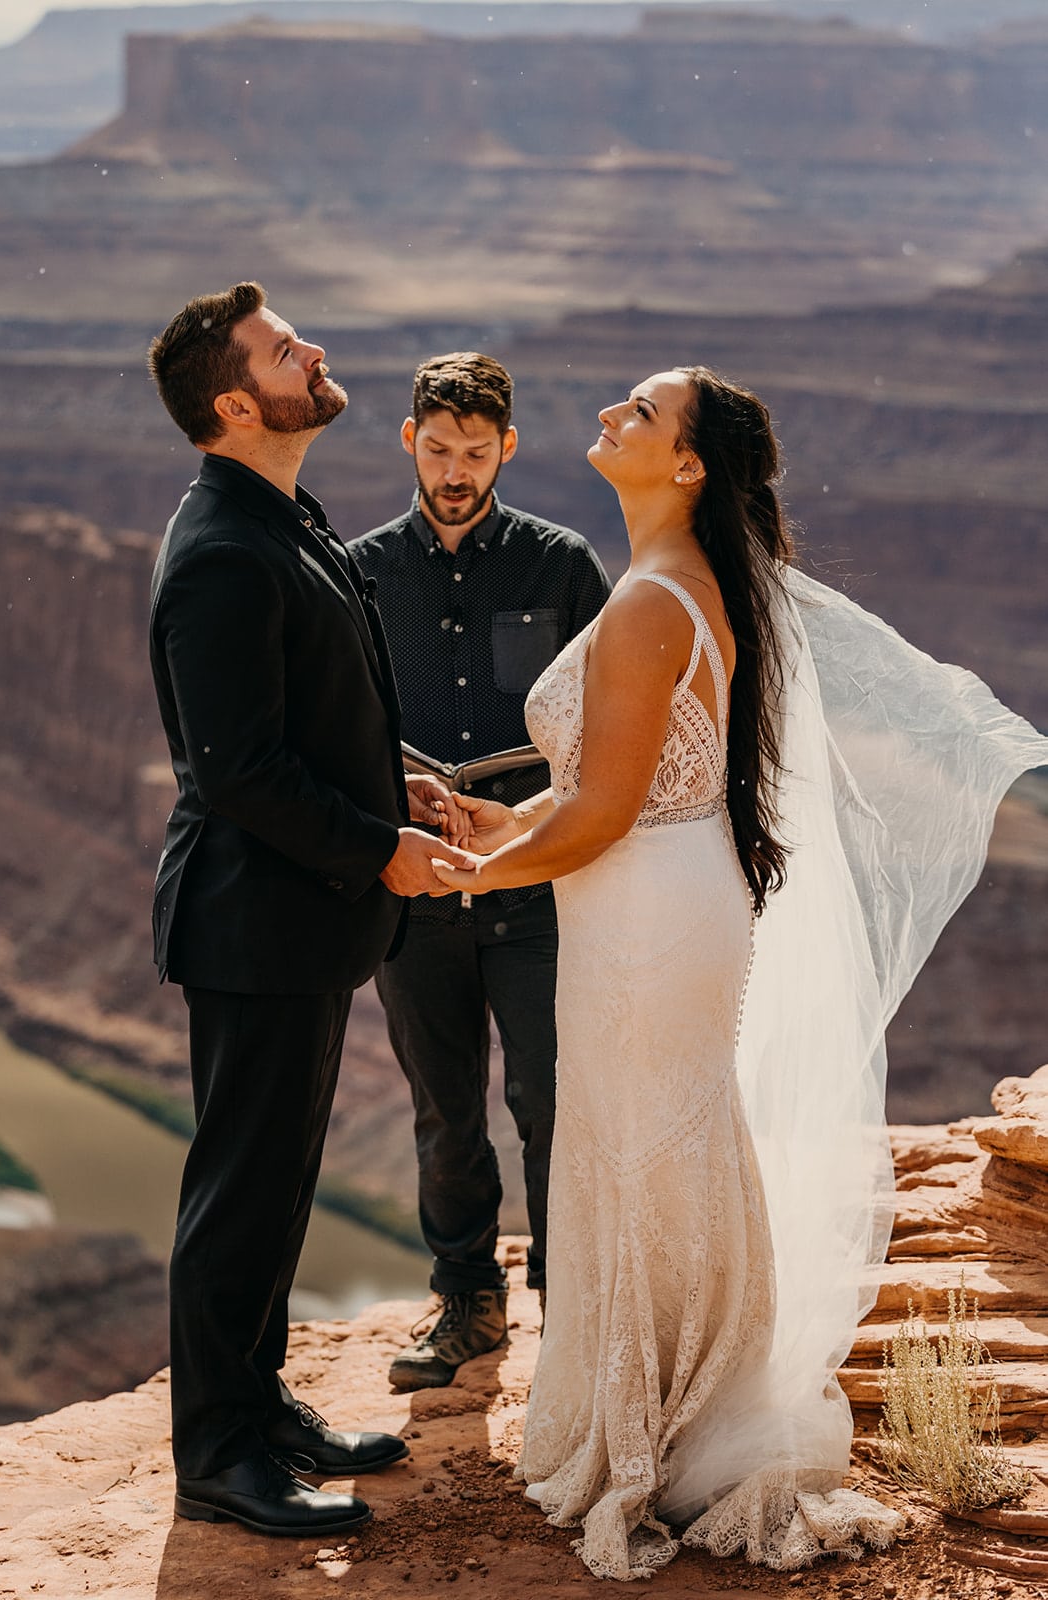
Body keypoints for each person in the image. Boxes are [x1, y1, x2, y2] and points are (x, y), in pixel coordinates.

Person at [433, 366, 1048, 1578]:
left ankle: (661, 1421)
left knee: (646, 1144)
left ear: (687, 466)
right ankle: (669, 1401)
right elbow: (599, 794)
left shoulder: (655, 601)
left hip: (645, 915)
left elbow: (605, 813)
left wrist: (456, 879)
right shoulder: (674, 588)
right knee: (646, 1140)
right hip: (655, 900)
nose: (612, 411)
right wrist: (474, 824)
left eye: (641, 411)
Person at [146, 282, 472, 1538]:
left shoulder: (274, 510)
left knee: (281, 1182)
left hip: (299, 921)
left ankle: (258, 1402)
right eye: (287, 351)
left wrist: (390, 777)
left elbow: (299, 712)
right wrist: (375, 847)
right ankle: (218, 1457)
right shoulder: (222, 549)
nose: (314, 351)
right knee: (239, 1189)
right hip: (254, 923)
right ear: (237, 402)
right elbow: (232, 771)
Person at [350, 353, 610, 1392]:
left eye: (474, 451)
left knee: (551, 1099)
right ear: (406, 439)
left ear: (506, 446)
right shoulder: (355, 568)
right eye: (437, 448)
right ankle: (465, 1300)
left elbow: (603, 728)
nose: (454, 471)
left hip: (538, 884)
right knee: (442, 1105)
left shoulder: (561, 567)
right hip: (415, 887)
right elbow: (339, 723)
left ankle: (570, 1312)